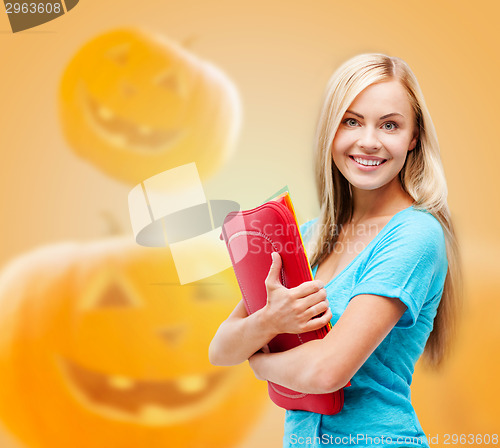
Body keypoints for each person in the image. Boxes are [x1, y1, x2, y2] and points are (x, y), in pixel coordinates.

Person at [209, 53, 462, 447]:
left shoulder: (415, 234)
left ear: (413, 138)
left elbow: (329, 371)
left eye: (390, 125)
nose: (369, 141)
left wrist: (258, 363)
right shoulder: (309, 236)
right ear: (331, 130)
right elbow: (221, 349)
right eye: (351, 121)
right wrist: (269, 320)